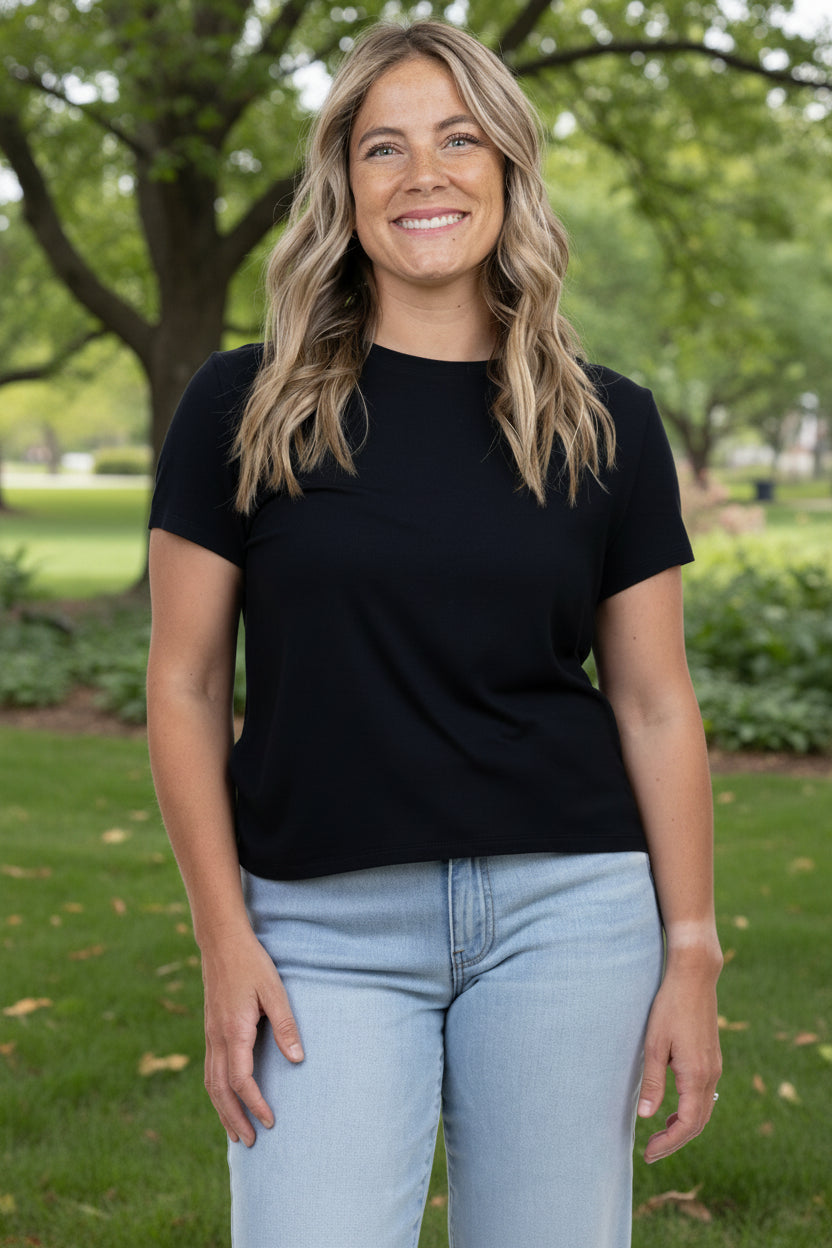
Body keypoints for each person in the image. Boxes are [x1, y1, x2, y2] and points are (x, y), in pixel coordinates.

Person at [146, 18, 722, 1248]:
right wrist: (221, 935)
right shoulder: (238, 410)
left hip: (571, 916)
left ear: (508, 170)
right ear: (341, 183)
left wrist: (691, 948)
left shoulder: (607, 420)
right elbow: (186, 685)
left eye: (460, 140)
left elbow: (655, 703)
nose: (424, 177)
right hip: (316, 930)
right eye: (384, 148)